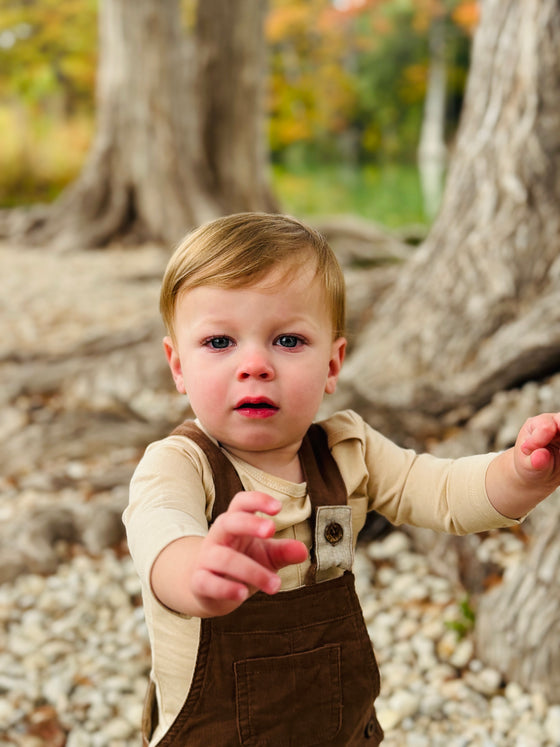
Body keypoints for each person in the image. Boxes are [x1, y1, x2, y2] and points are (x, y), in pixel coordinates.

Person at [124, 212, 560, 747]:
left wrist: (522, 473)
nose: (255, 364)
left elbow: (443, 492)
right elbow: (160, 532)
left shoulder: (347, 450)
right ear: (177, 366)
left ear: (333, 365)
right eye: (219, 343)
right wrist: (196, 573)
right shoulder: (179, 465)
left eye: (287, 340)